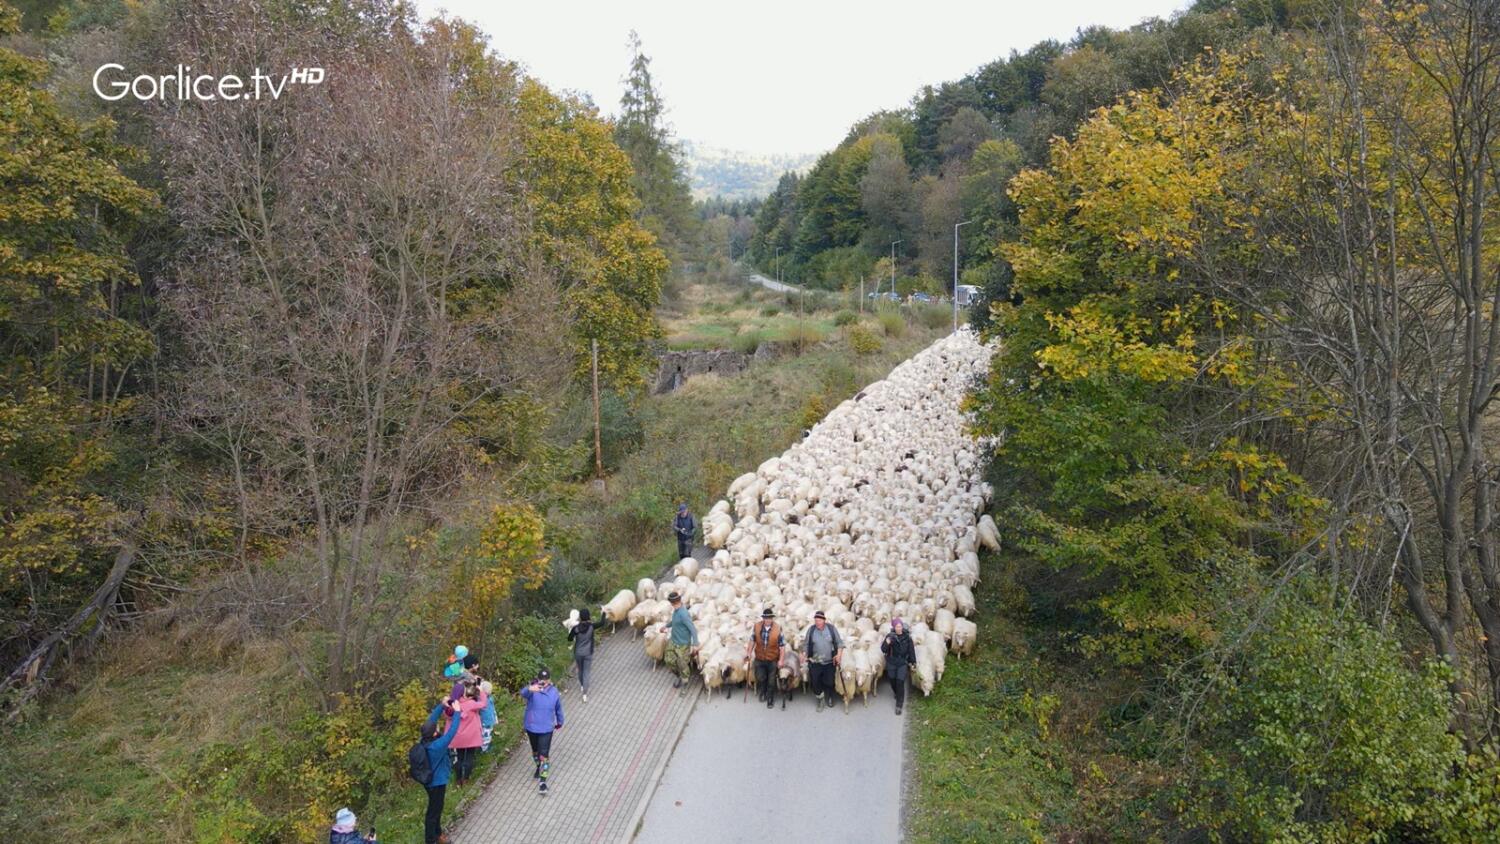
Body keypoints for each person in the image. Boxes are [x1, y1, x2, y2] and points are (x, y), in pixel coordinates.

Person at [419, 696, 462, 844]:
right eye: (436, 728)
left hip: (429, 780)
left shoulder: (424, 739)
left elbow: (431, 721)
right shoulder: (437, 746)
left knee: (435, 809)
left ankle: (438, 834)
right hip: (436, 782)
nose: (437, 727)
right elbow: (452, 733)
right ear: (435, 733)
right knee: (434, 812)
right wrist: (457, 712)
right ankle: (431, 840)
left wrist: (441, 706)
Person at [520, 669, 565, 793]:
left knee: (544, 754)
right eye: (541, 679)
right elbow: (522, 693)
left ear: (549, 680)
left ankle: (543, 782)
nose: (543, 682)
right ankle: (538, 766)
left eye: (546, 680)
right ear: (538, 679)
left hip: (546, 728)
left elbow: (558, 708)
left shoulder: (554, 692)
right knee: (535, 751)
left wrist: (560, 721)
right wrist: (530, 688)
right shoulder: (532, 690)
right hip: (532, 727)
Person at [745, 608, 786, 709]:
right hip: (760, 657)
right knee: (760, 677)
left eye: (770, 618)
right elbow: (752, 640)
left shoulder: (778, 629)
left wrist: (781, 660)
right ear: (763, 618)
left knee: (771, 681)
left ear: (772, 618)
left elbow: (782, 646)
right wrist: (749, 652)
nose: (768, 620)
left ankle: (770, 698)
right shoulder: (757, 626)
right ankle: (763, 691)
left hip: (772, 658)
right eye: (766, 618)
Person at [803, 610, 843, 712]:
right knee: (815, 682)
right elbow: (806, 644)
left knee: (829, 682)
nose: (817, 622)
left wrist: (838, 655)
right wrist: (804, 653)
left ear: (824, 620)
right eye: (816, 620)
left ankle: (830, 696)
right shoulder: (811, 630)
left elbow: (839, 643)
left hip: (829, 661)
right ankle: (820, 698)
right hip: (815, 661)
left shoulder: (831, 629)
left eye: (819, 620)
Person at [449, 681, 488, 786]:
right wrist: (481, 692)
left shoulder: (452, 705)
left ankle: (458, 779)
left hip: (458, 737)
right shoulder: (471, 704)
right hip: (471, 736)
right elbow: (484, 704)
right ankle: (466, 778)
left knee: (459, 757)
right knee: (469, 757)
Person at [660, 591, 698, 695]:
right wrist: (666, 626)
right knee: (669, 660)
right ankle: (679, 676)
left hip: (683, 644)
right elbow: (674, 621)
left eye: (675, 604)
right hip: (674, 640)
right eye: (673, 604)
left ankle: (685, 683)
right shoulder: (676, 612)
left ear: (679, 602)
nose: (674, 606)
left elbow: (693, 630)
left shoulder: (684, 614)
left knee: (682, 664)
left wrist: (695, 644)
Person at [880, 617, 917, 716]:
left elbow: (911, 650)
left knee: (900, 682)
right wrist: (886, 644)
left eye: (900, 626)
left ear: (902, 626)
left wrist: (913, 662)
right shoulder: (890, 636)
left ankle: (899, 705)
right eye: (897, 626)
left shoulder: (907, 637)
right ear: (894, 627)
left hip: (902, 662)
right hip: (892, 661)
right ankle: (896, 693)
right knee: (892, 680)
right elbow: (883, 649)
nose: (899, 628)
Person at [568, 608, 596, 702]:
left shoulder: (576, 629)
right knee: (586, 673)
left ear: (580, 617)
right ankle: (584, 694)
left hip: (578, 653)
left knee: (580, 670)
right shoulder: (592, 626)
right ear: (588, 616)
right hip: (588, 653)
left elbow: (569, 639)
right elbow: (602, 622)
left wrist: (573, 633)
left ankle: (581, 685)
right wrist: (604, 612)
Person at [478, 680, 497, 752]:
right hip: (486, 720)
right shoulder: (486, 698)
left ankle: (486, 745)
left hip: (488, 720)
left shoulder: (486, 698)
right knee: (486, 734)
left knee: (487, 733)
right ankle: (485, 748)